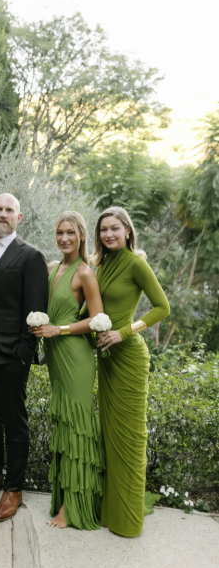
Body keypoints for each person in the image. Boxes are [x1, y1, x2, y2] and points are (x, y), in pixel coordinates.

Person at [0, 193, 49, 522]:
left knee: (15, 423)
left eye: (9, 210)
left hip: (12, 355)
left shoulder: (31, 256)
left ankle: (14, 487)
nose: (3, 215)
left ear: (19, 217)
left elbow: (36, 310)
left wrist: (23, 354)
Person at [93, 206, 170, 537]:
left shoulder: (136, 263)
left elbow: (163, 308)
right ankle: (110, 511)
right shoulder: (102, 264)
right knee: (110, 435)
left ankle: (128, 519)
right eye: (103, 229)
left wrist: (124, 332)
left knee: (130, 437)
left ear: (127, 231)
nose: (108, 234)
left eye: (115, 228)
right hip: (106, 357)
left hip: (129, 356)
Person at [30, 212, 104, 530]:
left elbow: (97, 320)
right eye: (60, 232)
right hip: (56, 358)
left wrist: (56, 329)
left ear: (81, 236)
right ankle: (63, 500)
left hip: (76, 356)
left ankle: (72, 509)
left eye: (70, 233)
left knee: (77, 427)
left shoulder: (85, 273)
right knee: (64, 425)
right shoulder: (51, 268)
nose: (64, 238)